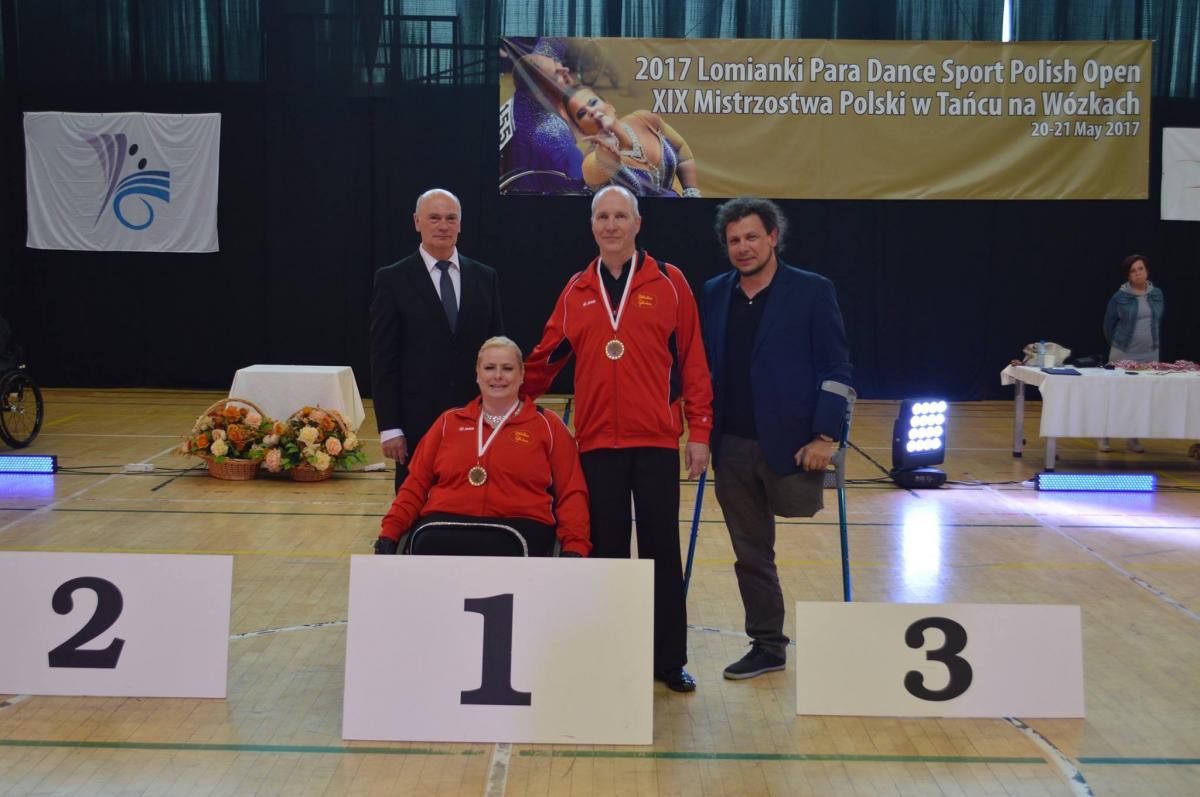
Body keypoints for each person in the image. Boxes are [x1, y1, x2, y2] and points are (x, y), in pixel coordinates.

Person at [524, 185, 713, 692]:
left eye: (620, 216)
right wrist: (510, 397)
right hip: (595, 445)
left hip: (654, 441)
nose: (611, 225)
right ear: (592, 226)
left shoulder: (670, 283)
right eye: (602, 216)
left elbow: (693, 361)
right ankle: (607, 652)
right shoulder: (576, 289)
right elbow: (546, 357)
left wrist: (700, 432)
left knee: (659, 551)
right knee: (605, 550)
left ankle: (667, 659)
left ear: (637, 223)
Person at [700, 197, 853, 680]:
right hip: (731, 446)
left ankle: (855, 641)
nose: (742, 248)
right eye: (733, 241)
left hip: (792, 447)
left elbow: (837, 367)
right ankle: (767, 645)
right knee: (750, 553)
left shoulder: (812, 291)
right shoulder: (714, 292)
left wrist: (826, 436)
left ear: (773, 237)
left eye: (751, 237)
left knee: (781, 538)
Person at [374, 337, 590, 558]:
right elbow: (415, 485)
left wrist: (575, 546)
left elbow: (571, 493)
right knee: (426, 543)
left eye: (507, 368)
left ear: (522, 374)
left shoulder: (548, 425)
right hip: (443, 526)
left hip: (519, 530)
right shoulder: (448, 421)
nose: (498, 376)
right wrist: (389, 533)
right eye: (489, 368)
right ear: (477, 373)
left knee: (499, 547)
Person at [370, 189, 505, 490]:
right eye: (434, 218)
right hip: (416, 422)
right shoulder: (392, 280)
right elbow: (384, 360)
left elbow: (499, 353)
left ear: (460, 224)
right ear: (417, 221)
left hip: (476, 415)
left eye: (450, 218)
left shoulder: (485, 277)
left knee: (475, 496)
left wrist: (501, 409)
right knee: (414, 504)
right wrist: (389, 427)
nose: (442, 225)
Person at [561, 85, 701, 198]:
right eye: (581, 113)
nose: (591, 111)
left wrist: (692, 194)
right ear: (582, 131)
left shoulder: (644, 119)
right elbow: (602, 167)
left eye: (592, 102)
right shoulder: (591, 160)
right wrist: (606, 149)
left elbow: (681, 150)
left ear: (610, 106)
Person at [501, 40, 585, 194]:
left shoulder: (522, 94)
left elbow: (550, 44)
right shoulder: (553, 134)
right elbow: (583, 182)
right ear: (539, 91)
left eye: (556, 62)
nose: (565, 69)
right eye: (556, 73)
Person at [1100, 254, 1165, 453]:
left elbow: (1158, 321)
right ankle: (1104, 437)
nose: (1138, 273)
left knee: (1140, 398)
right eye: (1133, 271)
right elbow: (1108, 325)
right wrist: (1118, 345)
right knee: (1115, 397)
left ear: (1147, 271)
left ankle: (1133, 438)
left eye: (1141, 269)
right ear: (1128, 276)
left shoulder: (1157, 294)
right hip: (1123, 353)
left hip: (1149, 354)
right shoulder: (1120, 297)